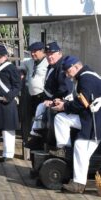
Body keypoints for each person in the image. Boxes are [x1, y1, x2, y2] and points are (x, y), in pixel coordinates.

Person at [50, 56, 101, 193]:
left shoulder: (86, 78)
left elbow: (82, 103)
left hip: (95, 123)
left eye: (68, 71)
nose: (66, 74)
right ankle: (64, 149)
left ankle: (78, 184)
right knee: (62, 119)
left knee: (80, 147)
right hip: (90, 118)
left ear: (76, 67)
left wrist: (64, 106)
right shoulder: (85, 76)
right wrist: (65, 103)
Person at [27, 42, 73, 150]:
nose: (49, 56)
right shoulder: (52, 66)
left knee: (42, 109)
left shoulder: (61, 67)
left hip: (62, 101)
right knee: (40, 109)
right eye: (47, 54)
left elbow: (65, 88)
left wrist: (53, 100)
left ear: (60, 53)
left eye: (52, 53)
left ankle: (52, 143)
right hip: (48, 99)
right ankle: (37, 135)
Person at [19, 42, 48, 140]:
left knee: (40, 120)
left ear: (42, 51)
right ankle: (26, 139)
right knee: (26, 117)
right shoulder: (30, 61)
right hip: (31, 95)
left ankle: (40, 141)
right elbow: (23, 64)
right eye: (31, 51)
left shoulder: (48, 62)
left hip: (42, 95)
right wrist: (22, 72)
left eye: (35, 51)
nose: (32, 54)